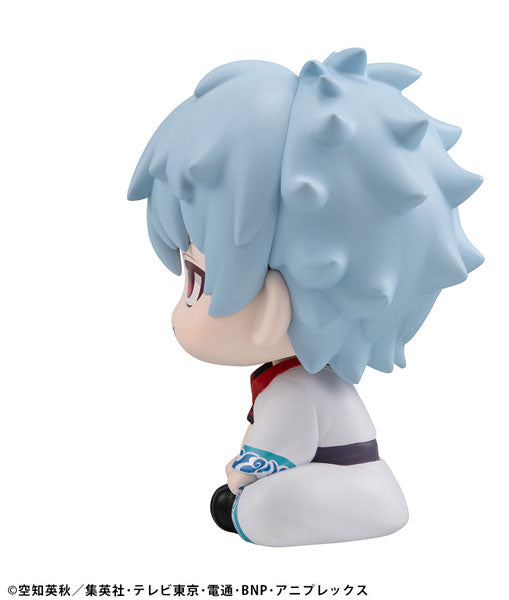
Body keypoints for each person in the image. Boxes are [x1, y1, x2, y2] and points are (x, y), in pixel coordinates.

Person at [128, 48, 483, 546]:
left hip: (351, 491)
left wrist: (240, 476)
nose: (181, 308)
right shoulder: (293, 380)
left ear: (271, 310)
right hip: (344, 484)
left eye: (196, 282)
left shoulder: (294, 388)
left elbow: (282, 449)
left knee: (260, 508)